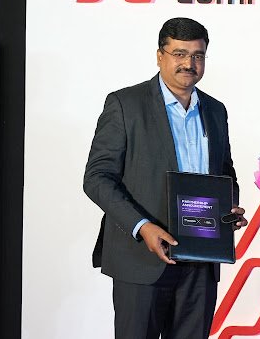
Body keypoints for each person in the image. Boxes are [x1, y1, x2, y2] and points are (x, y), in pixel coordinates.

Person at [83, 17, 247, 339]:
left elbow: (225, 172)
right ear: (160, 56)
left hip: (201, 260)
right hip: (141, 259)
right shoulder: (125, 104)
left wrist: (228, 207)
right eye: (179, 54)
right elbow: (97, 178)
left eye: (197, 55)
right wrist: (142, 226)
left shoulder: (216, 110)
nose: (189, 63)